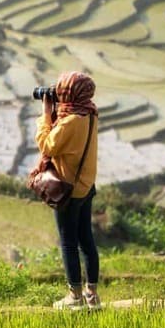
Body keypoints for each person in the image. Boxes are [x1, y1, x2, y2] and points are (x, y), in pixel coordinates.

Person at [35, 70, 100, 310]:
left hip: (69, 190)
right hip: (86, 186)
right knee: (87, 240)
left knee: (68, 243)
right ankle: (92, 296)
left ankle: (74, 297)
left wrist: (45, 113)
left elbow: (48, 145)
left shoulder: (71, 121)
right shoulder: (90, 114)